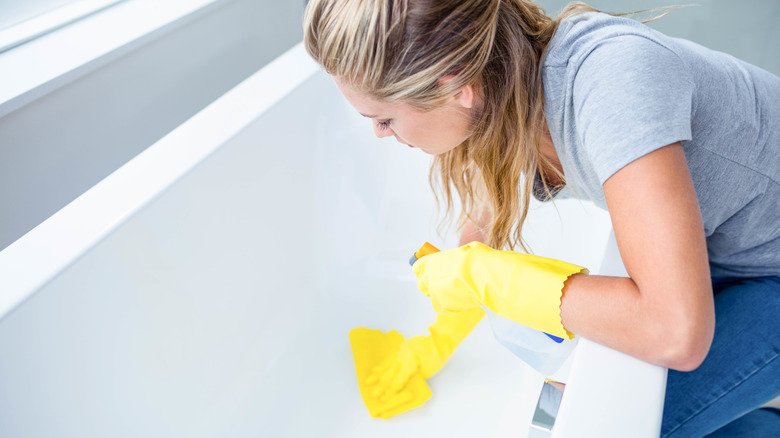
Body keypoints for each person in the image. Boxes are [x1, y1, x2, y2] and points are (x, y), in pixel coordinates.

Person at [303, 0, 780, 436]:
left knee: (612, 425)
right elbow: (481, 227)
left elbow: (675, 332)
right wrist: (436, 334)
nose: (380, 135)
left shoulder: (611, 83)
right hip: (732, 245)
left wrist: (484, 276)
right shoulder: (508, 93)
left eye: (384, 119)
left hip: (770, 269)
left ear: (455, 84)